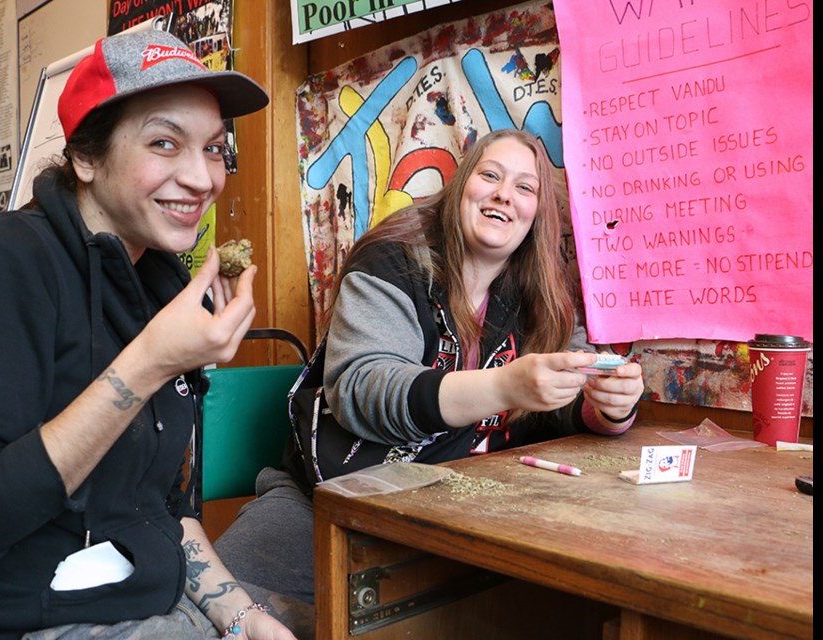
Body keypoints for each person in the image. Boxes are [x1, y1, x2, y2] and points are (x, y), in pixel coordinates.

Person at [0, 29, 308, 640]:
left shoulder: (158, 281)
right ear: (85, 157)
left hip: (143, 598)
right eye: (164, 142)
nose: (202, 177)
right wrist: (149, 362)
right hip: (2, 620)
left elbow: (158, 506)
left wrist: (242, 617)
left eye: (213, 148)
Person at [214, 128, 646, 606]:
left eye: (525, 187)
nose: (505, 193)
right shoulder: (392, 260)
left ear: (537, 216)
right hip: (331, 503)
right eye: (490, 175)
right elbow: (363, 391)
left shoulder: (539, 294)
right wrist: (504, 386)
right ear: (461, 184)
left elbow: (557, 408)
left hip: (465, 516)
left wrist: (605, 406)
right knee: (212, 613)